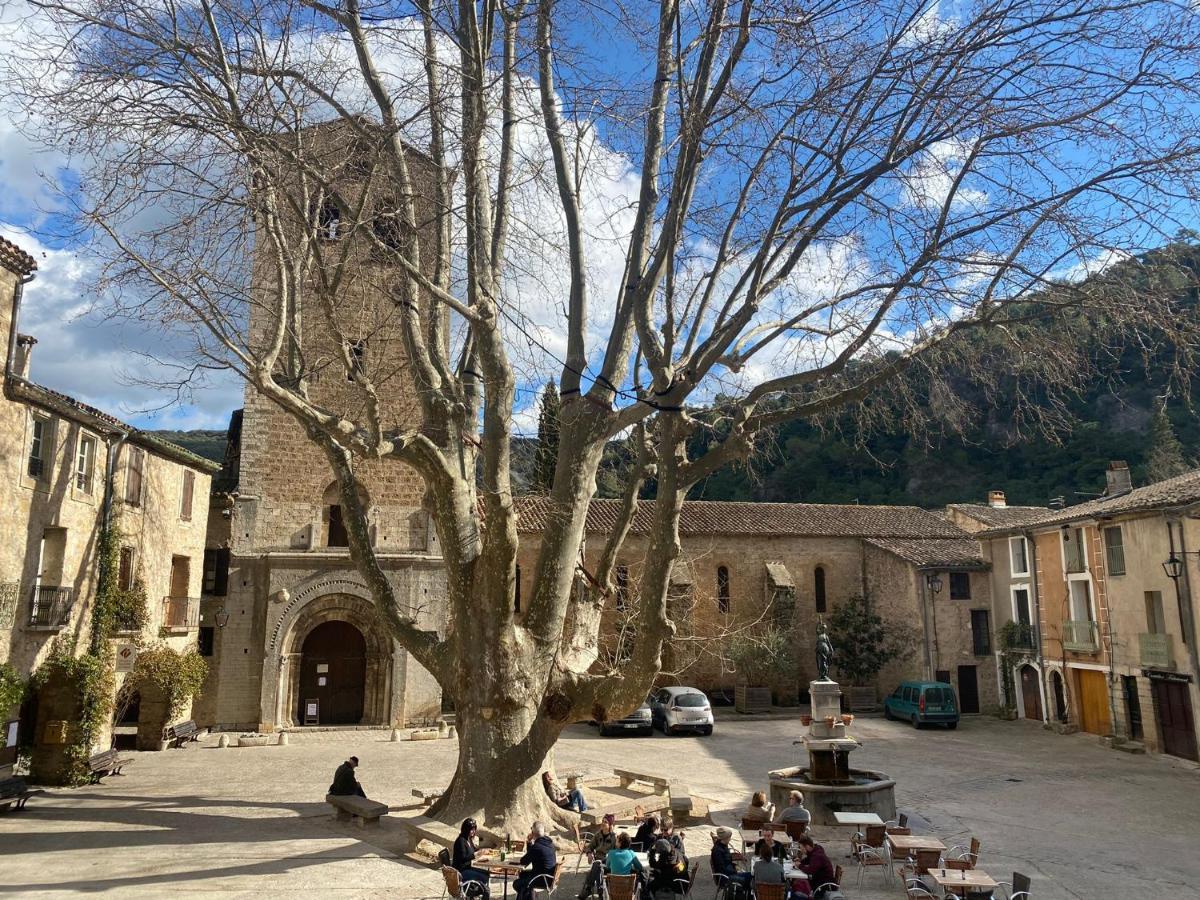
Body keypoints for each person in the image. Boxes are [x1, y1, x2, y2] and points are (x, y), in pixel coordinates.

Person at [576, 815, 618, 900]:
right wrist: (589, 853)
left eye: (605, 822)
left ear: (610, 825)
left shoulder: (614, 837)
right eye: (602, 821)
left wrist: (610, 857)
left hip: (608, 863)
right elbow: (589, 847)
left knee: (597, 866)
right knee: (598, 867)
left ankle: (588, 889)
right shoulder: (598, 835)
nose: (602, 823)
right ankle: (600, 894)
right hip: (598, 861)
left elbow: (617, 852)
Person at [515, 822, 557, 900]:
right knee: (523, 875)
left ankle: (531, 896)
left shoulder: (537, 847)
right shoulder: (550, 843)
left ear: (533, 833)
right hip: (549, 876)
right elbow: (530, 856)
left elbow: (524, 861)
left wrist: (529, 842)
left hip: (542, 879)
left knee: (517, 884)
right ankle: (532, 896)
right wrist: (530, 843)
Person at [453, 818, 491, 899]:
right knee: (484, 877)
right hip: (461, 871)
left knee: (487, 873)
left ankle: (474, 890)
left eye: (474, 829)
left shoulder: (468, 839)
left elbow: (473, 850)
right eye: (471, 829)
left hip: (467, 867)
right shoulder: (461, 841)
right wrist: (477, 854)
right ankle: (474, 891)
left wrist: (484, 850)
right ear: (466, 829)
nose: (473, 831)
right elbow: (463, 858)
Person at [710, 827, 752, 895]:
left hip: (729, 873)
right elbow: (722, 868)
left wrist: (735, 866)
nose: (730, 839)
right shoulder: (717, 851)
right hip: (724, 878)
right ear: (725, 838)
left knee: (751, 876)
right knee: (750, 877)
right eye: (729, 837)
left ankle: (746, 895)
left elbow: (727, 862)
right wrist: (735, 871)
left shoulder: (723, 846)